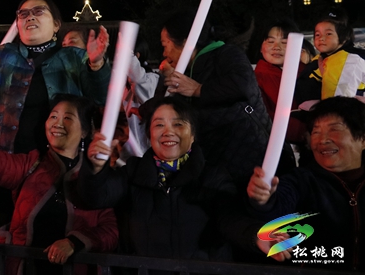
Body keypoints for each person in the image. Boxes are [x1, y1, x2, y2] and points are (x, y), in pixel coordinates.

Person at [82, 97, 287, 267]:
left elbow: (230, 219)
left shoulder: (212, 176)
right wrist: (95, 169)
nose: (168, 131)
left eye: (178, 124)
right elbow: (94, 197)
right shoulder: (132, 173)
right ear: (149, 135)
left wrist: (256, 236)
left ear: (193, 135)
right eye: (159, 125)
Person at [0, 94, 118, 274]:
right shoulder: (31, 164)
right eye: (53, 116)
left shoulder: (96, 178)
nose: (57, 123)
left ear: (84, 131)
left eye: (67, 118)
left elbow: (110, 231)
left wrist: (74, 243)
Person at [0, 0, 111, 154]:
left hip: (57, 157)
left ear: (56, 25)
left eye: (38, 11)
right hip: (5, 155)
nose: (30, 17)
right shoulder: (4, 55)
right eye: (23, 14)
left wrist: (96, 64)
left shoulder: (75, 58)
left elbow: (101, 97)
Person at [158, 10, 281, 186]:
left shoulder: (226, 54)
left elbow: (243, 85)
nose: (164, 53)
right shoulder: (183, 71)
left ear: (186, 42)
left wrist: (199, 89)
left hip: (250, 161)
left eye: (165, 45)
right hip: (213, 167)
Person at [247, 96, 365, 272]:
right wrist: (265, 198)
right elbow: (278, 205)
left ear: (362, 139)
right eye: (316, 132)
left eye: (334, 129)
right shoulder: (302, 180)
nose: (322, 140)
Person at [254, 19, 307, 164]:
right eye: (270, 41)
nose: (276, 47)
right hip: (278, 151)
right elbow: (263, 115)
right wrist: (303, 132)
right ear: (261, 47)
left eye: (284, 42)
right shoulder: (254, 79)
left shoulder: (311, 74)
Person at [296, 9, 365, 103]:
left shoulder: (349, 60)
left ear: (344, 37)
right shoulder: (323, 57)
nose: (321, 38)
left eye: (328, 34)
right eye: (317, 34)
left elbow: (339, 102)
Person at [119, 35, 158, 165]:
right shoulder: (120, 82)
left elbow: (138, 81)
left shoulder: (151, 79)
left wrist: (127, 54)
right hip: (123, 152)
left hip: (143, 152)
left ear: (137, 56)